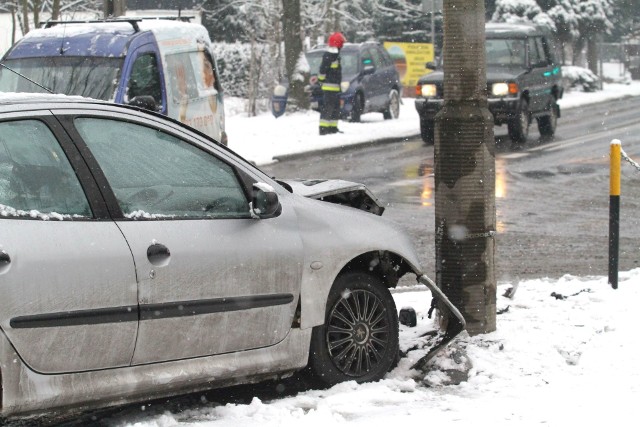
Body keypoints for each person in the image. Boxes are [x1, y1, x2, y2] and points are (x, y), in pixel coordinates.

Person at [318, 32, 346, 135]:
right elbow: (322, 70)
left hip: (335, 88)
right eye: (341, 44)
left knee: (335, 108)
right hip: (329, 88)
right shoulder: (329, 55)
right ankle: (323, 129)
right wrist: (321, 81)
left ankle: (333, 128)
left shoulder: (335, 55)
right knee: (328, 108)